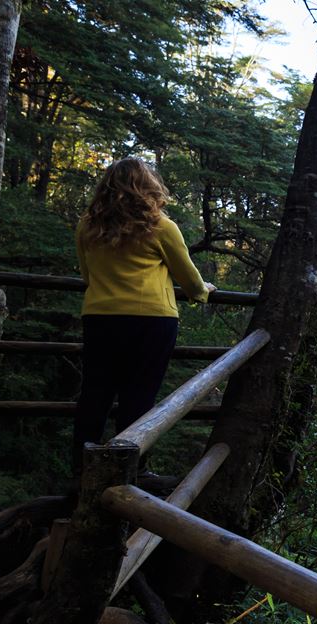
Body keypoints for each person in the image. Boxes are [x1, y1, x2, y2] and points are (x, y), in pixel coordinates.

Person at [72, 158, 215, 473]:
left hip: (100, 318)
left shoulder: (87, 226)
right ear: (149, 188)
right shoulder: (161, 226)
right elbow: (190, 282)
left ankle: (81, 472)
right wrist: (203, 290)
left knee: (95, 395)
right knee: (139, 397)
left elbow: (87, 277)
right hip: (151, 321)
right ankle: (131, 472)